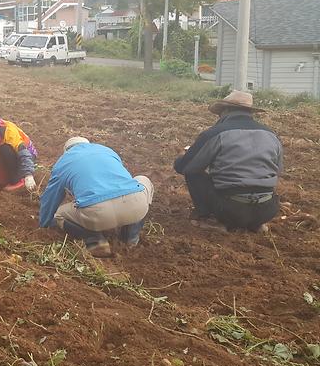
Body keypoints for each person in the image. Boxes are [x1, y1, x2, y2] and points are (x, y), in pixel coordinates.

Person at [174, 90, 282, 233]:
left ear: (225, 111)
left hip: (230, 210)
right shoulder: (271, 135)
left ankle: (209, 219)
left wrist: (182, 156)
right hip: (267, 210)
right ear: (250, 113)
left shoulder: (215, 133)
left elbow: (185, 167)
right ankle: (255, 224)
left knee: (193, 174)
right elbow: (278, 170)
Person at [39, 137, 154, 258]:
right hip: (136, 205)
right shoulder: (106, 150)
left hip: (97, 214)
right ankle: (131, 236)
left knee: (59, 215)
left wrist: (44, 223)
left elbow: (50, 196)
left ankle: (94, 240)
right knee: (142, 180)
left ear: (66, 151)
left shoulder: (63, 162)